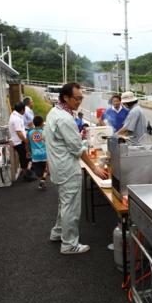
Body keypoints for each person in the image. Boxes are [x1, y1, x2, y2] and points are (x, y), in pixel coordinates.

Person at [45, 82, 108, 254]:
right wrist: (94, 168)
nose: (80, 101)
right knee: (71, 206)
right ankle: (69, 244)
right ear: (66, 97)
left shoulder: (54, 111)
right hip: (67, 168)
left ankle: (58, 232)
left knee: (64, 203)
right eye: (77, 98)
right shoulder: (65, 119)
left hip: (58, 166)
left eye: (81, 98)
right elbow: (77, 148)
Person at [8, 102, 34, 182]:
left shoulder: (13, 116)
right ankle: (26, 176)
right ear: (22, 109)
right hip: (19, 141)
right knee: (24, 157)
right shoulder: (16, 119)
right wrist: (25, 140)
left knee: (24, 157)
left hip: (17, 140)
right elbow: (19, 131)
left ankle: (26, 174)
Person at [25, 115, 48, 190]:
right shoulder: (44, 132)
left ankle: (40, 183)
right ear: (42, 123)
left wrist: (27, 151)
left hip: (35, 156)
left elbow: (27, 143)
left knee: (38, 172)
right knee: (47, 168)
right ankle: (43, 179)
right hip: (44, 154)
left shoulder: (30, 132)